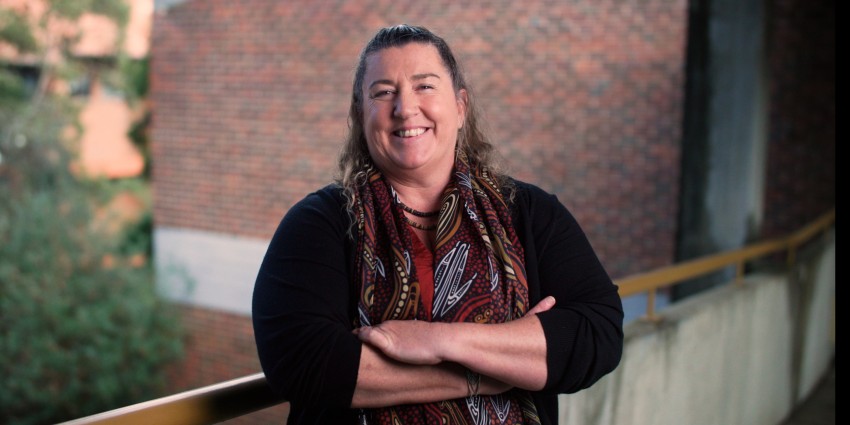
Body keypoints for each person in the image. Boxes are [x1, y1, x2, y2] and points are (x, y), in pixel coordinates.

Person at [252, 24, 624, 424]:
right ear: (361, 115)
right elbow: (303, 364)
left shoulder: (529, 213)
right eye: (383, 92)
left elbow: (597, 334)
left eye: (424, 86)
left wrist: (435, 340)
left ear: (460, 107)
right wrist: (492, 371)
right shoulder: (317, 224)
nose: (405, 108)